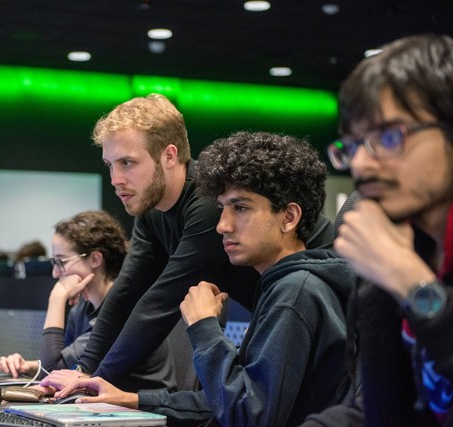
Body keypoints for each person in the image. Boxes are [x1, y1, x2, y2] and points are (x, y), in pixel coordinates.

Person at [54, 131, 356, 426]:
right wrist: (131, 399)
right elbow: (224, 400)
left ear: (289, 217)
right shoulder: (286, 286)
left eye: (240, 208)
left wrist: (204, 328)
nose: (223, 225)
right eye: (223, 208)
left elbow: (247, 414)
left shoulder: (295, 292)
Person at [303, 34, 453, 426]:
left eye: (389, 137)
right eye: (353, 146)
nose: (363, 166)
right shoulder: (404, 243)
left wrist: (408, 281)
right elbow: (380, 409)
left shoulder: (399, 262)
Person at [0, 210, 173, 390]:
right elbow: (63, 371)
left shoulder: (122, 312)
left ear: (95, 259)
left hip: (142, 413)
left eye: (61, 262)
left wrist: (57, 297)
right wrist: (28, 367)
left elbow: (52, 370)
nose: (55, 273)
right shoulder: (81, 309)